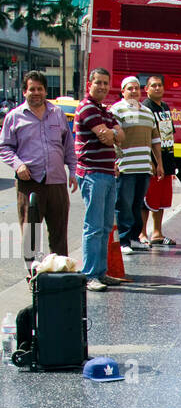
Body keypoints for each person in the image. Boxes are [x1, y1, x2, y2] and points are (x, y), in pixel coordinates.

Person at [0, 70, 77, 263]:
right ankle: (33, 274)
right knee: (31, 234)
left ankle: (60, 272)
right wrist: (18, 165)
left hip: (56, 181)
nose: (36, 93)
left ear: (45, 91)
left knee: (59, 232)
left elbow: (68, 146)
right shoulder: (14, 117)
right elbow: (4, 147)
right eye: (32, 89)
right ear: (24, 92)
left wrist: (73, 172)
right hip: (30, 183)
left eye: (40, 89)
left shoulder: (57, 114)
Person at [74, 67, 124, 292]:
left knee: (105, 227)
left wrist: (112, 133)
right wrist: (113, 133)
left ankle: (101, 272)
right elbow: (106, 138)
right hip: (93, 173)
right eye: (98, 83)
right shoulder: (87, 108)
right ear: (89, 84)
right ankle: (90, 274)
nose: (103, 87)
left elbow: (121, 137)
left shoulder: (103, 110)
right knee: (93, 227)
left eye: (106, 83)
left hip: (107, 173)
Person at [111, 76, 164, 257]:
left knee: (136, 205)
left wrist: (159, 164)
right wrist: (114, 162)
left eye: (136, 88)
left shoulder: (148, 112)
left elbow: (156, 140)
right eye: (129, 88)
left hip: (143, 168)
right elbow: (112, 139)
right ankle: (123, 241)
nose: (134, 91)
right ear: (123, 91)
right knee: (123, 205)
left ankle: (134, 238)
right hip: (125, 167)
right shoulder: (116, 110)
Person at [142, 74, 176, 247]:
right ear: (146, 89)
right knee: (148, 200)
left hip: (167, 158)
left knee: (162, 200)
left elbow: (169, 134)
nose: (157, 88)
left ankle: (157, 232)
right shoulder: (145, 108)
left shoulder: (164, 107)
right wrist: (155, 162)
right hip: (152, 161)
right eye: (153, 85)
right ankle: (142, 233)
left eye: (160, 85)